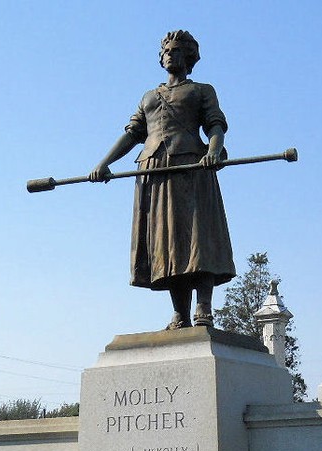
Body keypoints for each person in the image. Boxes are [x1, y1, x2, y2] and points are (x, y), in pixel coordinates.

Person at [89, 30, 235, 329]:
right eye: (166, 50)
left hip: (191, 166)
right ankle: (180, 312)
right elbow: (132, 134)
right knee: (166, 242)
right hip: (153, 171)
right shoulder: (148, 97)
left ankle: (203, 308)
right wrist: (104, 163)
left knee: (197, 237)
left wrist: (214, 151)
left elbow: (216, 126)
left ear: (189, 57)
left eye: (177, 50)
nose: (170, 54)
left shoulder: (202, 90)